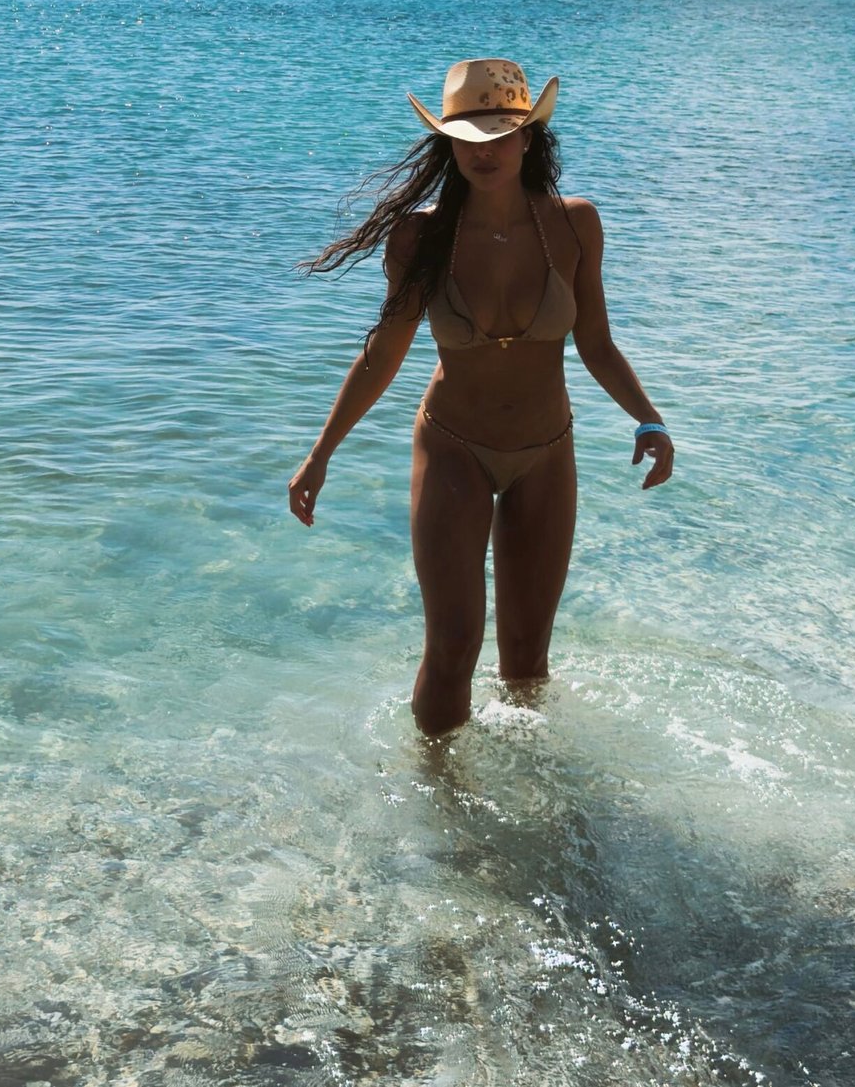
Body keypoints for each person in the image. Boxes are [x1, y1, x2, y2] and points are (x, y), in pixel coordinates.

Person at [289, 58, 675, 738]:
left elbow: (596, 342)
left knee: (527, 658)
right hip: (454, 448)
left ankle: (528, 787)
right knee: (453, 646)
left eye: (499, 135)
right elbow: (385, 351)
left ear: (529, 138)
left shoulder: (574, 225)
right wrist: (322, 453)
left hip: (546, 453)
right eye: (466, 138)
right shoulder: (421, 236)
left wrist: (649, 419)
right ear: (448, 145)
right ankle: (437, 787)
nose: (483, 151)